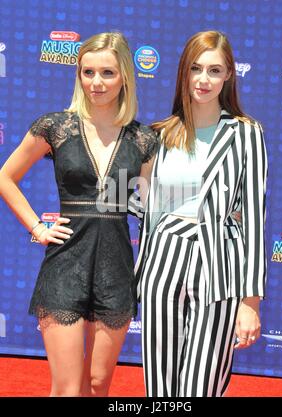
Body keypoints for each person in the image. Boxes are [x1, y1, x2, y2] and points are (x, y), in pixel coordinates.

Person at [0, 32, 157, 397]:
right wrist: (38, 227)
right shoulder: (55, 127)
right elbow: (5, 177)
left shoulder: (144, 140)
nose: (96, 83)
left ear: (125, 78)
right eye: (88, 73)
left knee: (99, 385)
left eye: (107, 73)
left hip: (116, 265)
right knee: (69, 390)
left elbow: (147, 203)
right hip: (65, 265)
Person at [135, 30, 268, 397]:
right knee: (160, 386)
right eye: (196, 68)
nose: (203, 79)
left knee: (202, 385)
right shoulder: (160, 134)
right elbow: (144, 203)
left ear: (228, 75)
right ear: (183, 72)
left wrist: (250, 302)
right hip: (164, 258)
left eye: (214, 70)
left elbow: (255, 217)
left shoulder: (246, 134)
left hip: (221, 261)